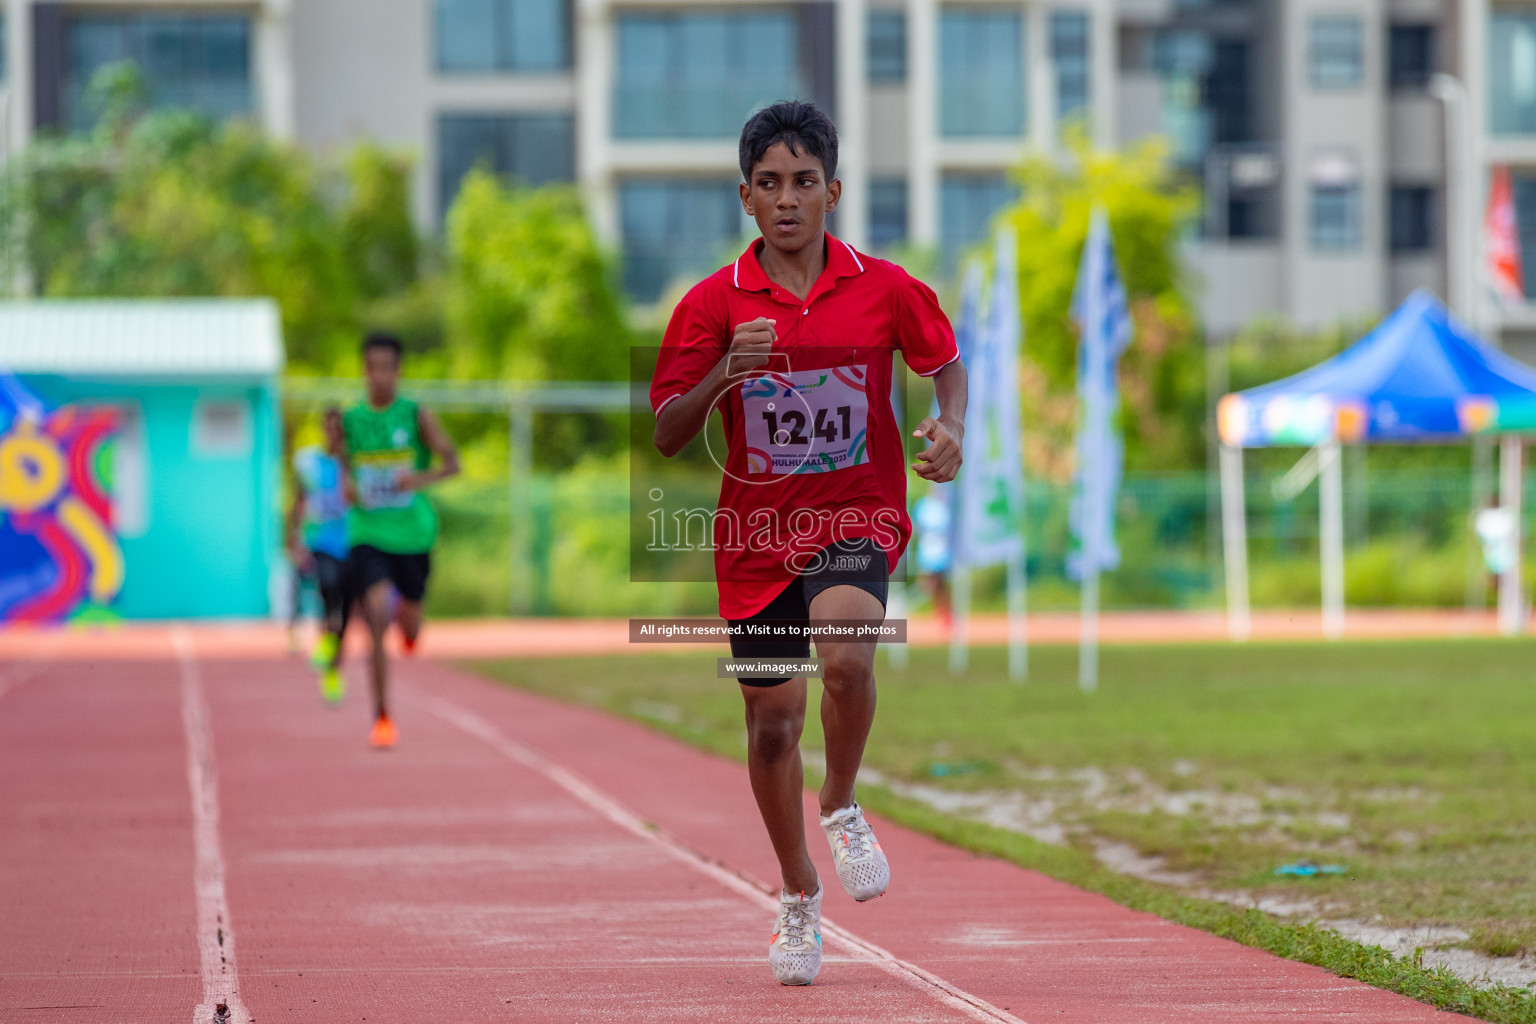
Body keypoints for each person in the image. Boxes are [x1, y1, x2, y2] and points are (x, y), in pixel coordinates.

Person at [650, 101, 966, 986]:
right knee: (773, 727)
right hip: (756, 539)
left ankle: (842, 801)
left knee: (850, 661)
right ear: (745, 198)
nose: (787, 199)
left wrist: (951, 425)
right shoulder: (712, 304)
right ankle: (796, 891)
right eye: (768, 185)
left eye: (803, 183)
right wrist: (725, 372)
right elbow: (670, 432)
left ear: (833, 190)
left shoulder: (885, 287)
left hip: (855, 512)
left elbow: (943, 363)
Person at [341, 333, 460, 749]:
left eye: (388, 367)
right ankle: (382, 716)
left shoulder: (415, 415)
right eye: (373, 367)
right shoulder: (351, 420)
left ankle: (408, 627)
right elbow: (342, 470)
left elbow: (452, 464)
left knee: (409, 629)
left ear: (398, 370)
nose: (380, 376)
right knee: (375, 615)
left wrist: (418, 479)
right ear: (365, 370)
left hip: (412, 534)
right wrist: (348, 488)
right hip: (369, 532)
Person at [287, 406, 352, 702]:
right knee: (328, 589)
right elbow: (298, 501)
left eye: (339, 428)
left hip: (353, 543)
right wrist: (294, 538)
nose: (333, 434)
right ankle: (327, 643)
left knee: (347, 613)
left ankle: (333, 670)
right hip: (322, 542)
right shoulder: (311, 463)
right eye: (329, 427)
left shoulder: (354, 465)